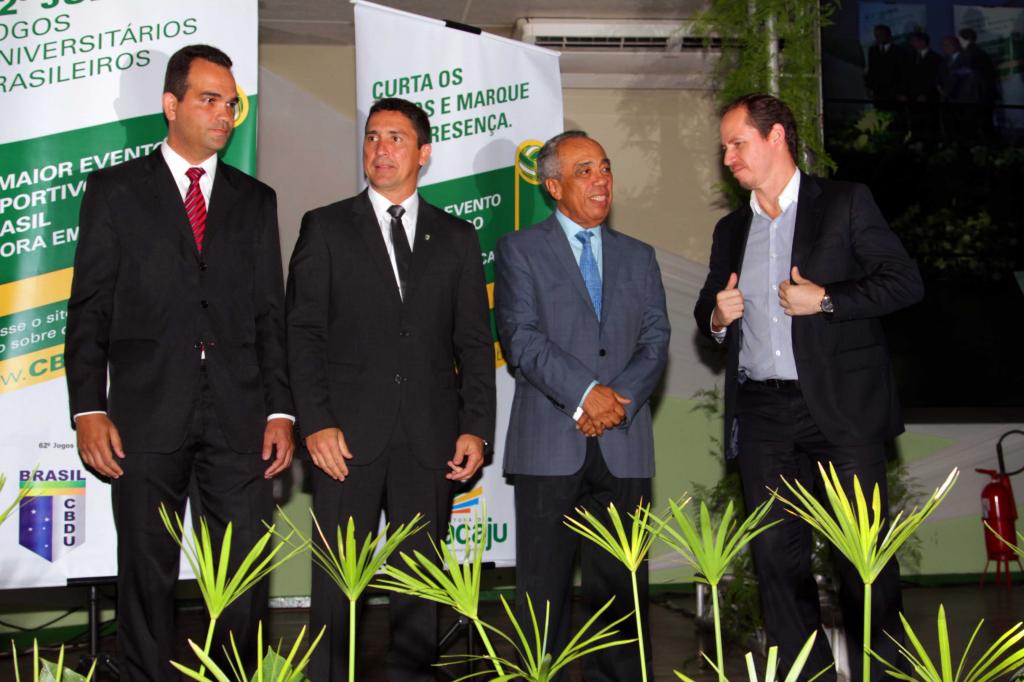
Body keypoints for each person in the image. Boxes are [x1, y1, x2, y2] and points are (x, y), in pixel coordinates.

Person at [66, 44, 294, 681]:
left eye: (231, 104)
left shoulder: (256, 199)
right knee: (146, 575)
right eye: (209, 100)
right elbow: (89, 309)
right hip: (143, 417)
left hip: (240, 419)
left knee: (243, 579)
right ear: (171, 104)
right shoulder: (115, 191)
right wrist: (87, 409)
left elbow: (268, 313)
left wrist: (280, 409)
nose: (224, 114)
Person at [694, 93, 923, 681]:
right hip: (763, 412)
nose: (728, 157)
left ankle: (882, 673)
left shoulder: (844, 202)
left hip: (841, 412)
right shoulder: (732, 229)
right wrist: (717, 316)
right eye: (725, 147)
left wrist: (825, 300)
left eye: (737, 143)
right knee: (776, 563)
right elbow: (707, 310)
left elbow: (904, 282)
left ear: (776, 137)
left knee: (862, 561)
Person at [286, 97, 495, 682]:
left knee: (419, 589)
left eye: (396, 138)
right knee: (338, 585)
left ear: (423, 153)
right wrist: (315, 422)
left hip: (430, 439)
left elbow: (474, 341)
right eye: (373, 137)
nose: (381, 148)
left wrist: (476, 427)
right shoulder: (325, 226)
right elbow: (301, 333)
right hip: (344, 441)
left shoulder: (456, 237)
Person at [494, 130, 670, 681]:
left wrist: (617, 402)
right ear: (553, 186)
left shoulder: (639, 256)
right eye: (585, 170)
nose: (601, 180)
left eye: (605, 167)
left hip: (624, 444)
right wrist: (586, 395)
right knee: (542, 598)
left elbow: (655, 340)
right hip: (549, 446)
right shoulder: (519, 249)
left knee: (622, 595)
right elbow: (520, 339)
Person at [864, 24, 906, 113]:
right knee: (880, 115)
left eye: (880, 35)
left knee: (894, 115)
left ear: (888, 35)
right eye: (876, 35)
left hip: (894, 91)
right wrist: (869, 87)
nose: (878, 37)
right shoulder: (873, 50)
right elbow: (871, 70)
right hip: (878, 92)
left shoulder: (899, 51)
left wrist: (901, 92)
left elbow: (903, 72)